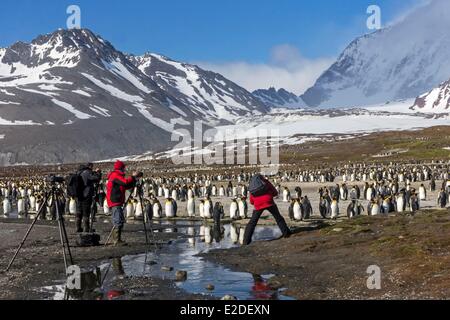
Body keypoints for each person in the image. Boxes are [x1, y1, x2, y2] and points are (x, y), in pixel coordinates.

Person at [243, 175, 291, 245]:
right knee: (278, 218)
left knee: (252, 223)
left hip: (258, 205)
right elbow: (275, 192)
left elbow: (251, 201)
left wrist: (256, 202)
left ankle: (246, 241)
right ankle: (286, 233)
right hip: (269, 202)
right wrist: (269, 195)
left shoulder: (252, 186)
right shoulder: (265, 182)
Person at [106, 160, 142, 245]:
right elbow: (125, 182)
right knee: (118, 220)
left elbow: (125, 185)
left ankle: (118, 239)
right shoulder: (115, 175)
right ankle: (116, 240)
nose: (124, 170)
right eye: (123, 168)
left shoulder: (117, 175)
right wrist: (133, 177)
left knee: (120, 220)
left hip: (117, 201)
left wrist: (134, 180)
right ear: (120, 168)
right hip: (115, 201)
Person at [76, 163, 101, 233]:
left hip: (78, 195)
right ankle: (86, 228)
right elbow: (96, 178)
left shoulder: (79, 172)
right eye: (92, 167)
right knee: (86, 212)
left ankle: (78, 227)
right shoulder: (87, 173)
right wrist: (98, 172)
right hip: (86, 195)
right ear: (90, 166)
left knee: (79, 211)